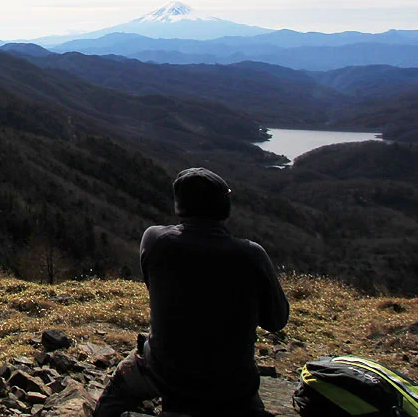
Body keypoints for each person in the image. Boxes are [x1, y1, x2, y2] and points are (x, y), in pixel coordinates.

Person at [93, 168, 289, 417]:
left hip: (163, 371)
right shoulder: (252, 255)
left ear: (180, 205)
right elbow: (276, 320)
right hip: (233, 384)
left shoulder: (154, 241)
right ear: (224, 207)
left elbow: (155, 286)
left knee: (114, 397)